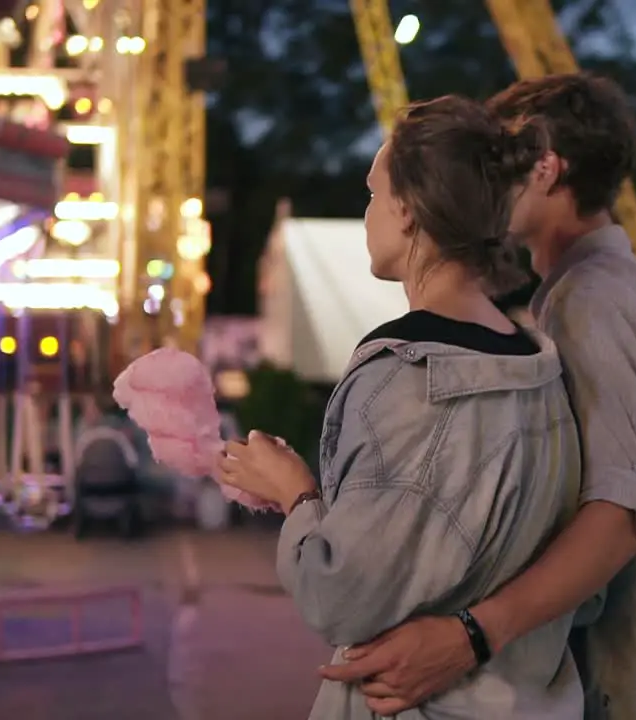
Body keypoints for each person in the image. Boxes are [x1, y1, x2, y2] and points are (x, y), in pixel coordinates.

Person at [319, 73, 636, 720]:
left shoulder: (589, 301)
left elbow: (620, 513)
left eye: (509, 158)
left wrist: (470, 634)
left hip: (632, 692)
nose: (493, 174)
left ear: (547, 169)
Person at [215, 95, 585, 719]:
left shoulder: (406, 379)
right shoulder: (541, 369)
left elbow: (342, 597)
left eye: (371, 195)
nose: (366, 215)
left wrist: (296, 493)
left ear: (409, 210)